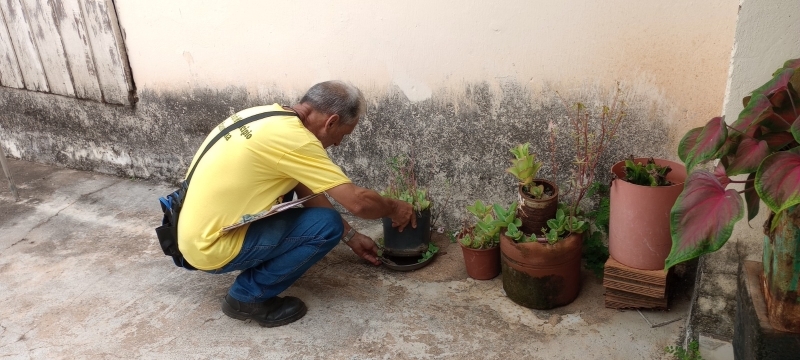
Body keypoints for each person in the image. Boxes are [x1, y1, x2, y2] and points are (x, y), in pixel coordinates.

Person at [177, 80, 416, 327]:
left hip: (188, 235)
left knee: (319, 217)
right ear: (331, 121)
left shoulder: (265, 115)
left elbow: (305, 185)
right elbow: (358, 203)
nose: (338, 144)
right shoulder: (297, 141)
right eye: (343, 134)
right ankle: (248, 297)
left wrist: (352, 237)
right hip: (210, 248)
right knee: (327, 226)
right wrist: (395, 208)